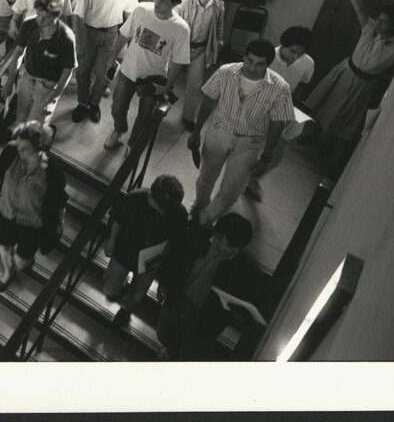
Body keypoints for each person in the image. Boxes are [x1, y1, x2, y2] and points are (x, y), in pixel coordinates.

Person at [301, 0, 394, 176]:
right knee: (326, 105)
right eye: (379, 19)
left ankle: (327, 144)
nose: (379, 23)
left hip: (364, 85)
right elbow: (359, 8)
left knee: (346, 115)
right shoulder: (369, 29)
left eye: (385, 22)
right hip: (346, 72)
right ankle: (313, 135)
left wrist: (379, 75)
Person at [187, 38, 294, 224]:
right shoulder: (225, 72)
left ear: (268, 65)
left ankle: (203, 221)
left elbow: (277, 124)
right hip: (218, 132)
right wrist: (196, 132)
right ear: (244, 56)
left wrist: (266, 157)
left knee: (230, 192)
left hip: (249, 144)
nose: (252, 68)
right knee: (205, 178)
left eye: (260, 64)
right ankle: (199, 206)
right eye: (250, 60)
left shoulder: (280, 88)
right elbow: (208, 102)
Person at [155, 212, 256, 361]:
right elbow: (175, 257)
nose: (220, 246)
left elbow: (240, 303)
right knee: (165, 333)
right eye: (219, 239)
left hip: (205, 314)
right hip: (180, 296)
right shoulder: (199, 235)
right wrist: (164, 284)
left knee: (190, 351)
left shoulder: (245, 268)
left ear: (239, 247)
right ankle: (170, 350)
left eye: (228, 245)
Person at [106, 0, 190, 151]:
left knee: (145, 115)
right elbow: (124, 34)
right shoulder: (142, 9)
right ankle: (119, 129)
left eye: (163, 1)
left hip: (153, 78)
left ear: (174, 4)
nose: (157, 3)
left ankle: (133, 143)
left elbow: (178, 61)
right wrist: (112, 56)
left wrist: (167, 86)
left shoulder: (181, 28)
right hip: (129, 70)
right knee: (117, 107)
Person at [0, 121, 67, 293]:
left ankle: (24, 261)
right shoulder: (10, 151)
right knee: (4, 245)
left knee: (21, 262)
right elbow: (1, 175)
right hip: (6, 210)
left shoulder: (52, 171)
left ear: (40, 148)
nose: (19, 150)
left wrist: (59, 222)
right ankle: (8, 273)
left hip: (31, 222)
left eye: (25, 148)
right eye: (18, 144)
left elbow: (60, 200)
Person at [104, 175, 187, 328]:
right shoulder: (135, 198)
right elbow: (118, 219)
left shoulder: (179, 213)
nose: (162, 213)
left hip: (152, 257)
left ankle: (125, 310)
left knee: (137, 294)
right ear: (151, 195)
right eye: (159, 207)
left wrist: (163, 270)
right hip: (126, 248)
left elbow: (176, 242)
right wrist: (111, 241)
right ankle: (120, 287)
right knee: (110, 289)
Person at [245, 25, 315, 201]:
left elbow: (301, 89)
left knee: (275, 156)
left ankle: (253, 179)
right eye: (293, 51)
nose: (296, 56)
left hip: (282, 110)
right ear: (284, 45)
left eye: (301, 53)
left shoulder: (308, 63)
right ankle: (238, 176)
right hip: (258, 107)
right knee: (246, 148)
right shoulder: (267, 58)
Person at [71, 0, 139, 124]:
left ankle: (94, 104)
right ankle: (82, 103)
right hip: (88, 33)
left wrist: (130, 41)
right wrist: (79, 43)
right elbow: (77, 16)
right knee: (82, 71)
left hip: (110, 34)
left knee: (104, 75)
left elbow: (131, 12)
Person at [1, 0, 77, 125]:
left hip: (47, 86)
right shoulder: (29, 25)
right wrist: (9, 81)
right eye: (38, 14)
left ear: (56, 15)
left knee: (35, 127)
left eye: (45, 17)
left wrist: (54, 97)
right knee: (20, 119)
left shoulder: (66, 37)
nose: (39, 20)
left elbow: (67, 71)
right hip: (27, 78)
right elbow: (18, 52)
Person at [174, 0, 225, 131]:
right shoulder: (185, 2)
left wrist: (218, 43)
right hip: (180, 48)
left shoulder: (219, 5)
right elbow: (173, 23)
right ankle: (154, 109)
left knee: (195, 87)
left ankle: (188, 117)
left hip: (201, 50)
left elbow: (219, 28)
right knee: (166, 79)